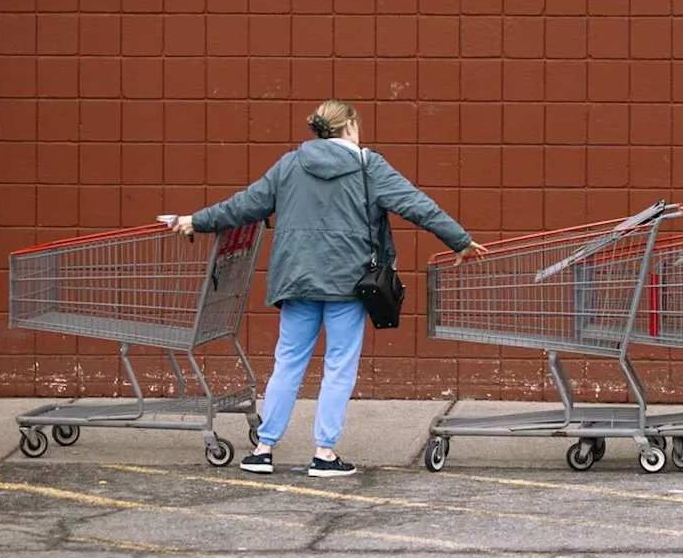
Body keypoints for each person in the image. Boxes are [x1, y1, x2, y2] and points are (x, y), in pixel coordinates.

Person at [170, 99, 485, 477]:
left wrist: (197, 221)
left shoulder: (289, 164)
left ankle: (264, 449)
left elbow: (245, 205)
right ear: (350, 126)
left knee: (287, 362)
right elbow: (418, 205)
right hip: (348, 284)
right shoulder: (369, 166)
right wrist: (460, 240)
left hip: (296, 280)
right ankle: (324, 454)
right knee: (338, 365)